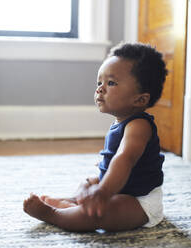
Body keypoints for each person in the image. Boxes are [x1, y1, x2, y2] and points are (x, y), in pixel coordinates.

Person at [23, 42, 168, 232]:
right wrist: (96, 186)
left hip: (140, 201)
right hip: (118, 189)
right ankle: (75, 202)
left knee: (98, 215)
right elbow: (110, 165)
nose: (100, 89)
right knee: (89, 182)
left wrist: (104, 191)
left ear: (140, 99)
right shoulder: (121, 122)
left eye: (111, 83)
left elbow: (124, 158)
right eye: (99, 82)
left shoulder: (139, 125)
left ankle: (54, 214)